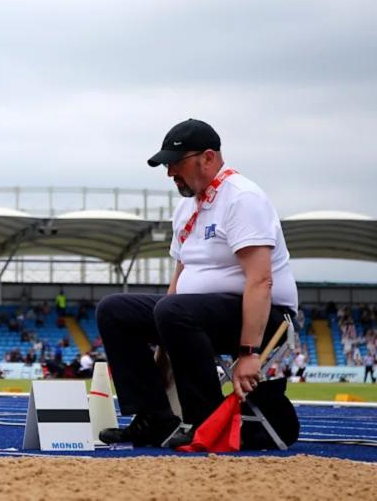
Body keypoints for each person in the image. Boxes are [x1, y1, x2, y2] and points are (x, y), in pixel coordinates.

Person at [96, 119, 299, 448]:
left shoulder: (242, 198)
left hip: (264, 317)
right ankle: (154, 418)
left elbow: (261, 280)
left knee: (176, 310)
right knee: (114, 309)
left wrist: (250, 352)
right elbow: (178, 281)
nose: (170, 173)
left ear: (207, 157)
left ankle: (205, 420)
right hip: (190, 313)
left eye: (176, 163)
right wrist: (161, 359)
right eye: (167, 165)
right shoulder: (186, 207)